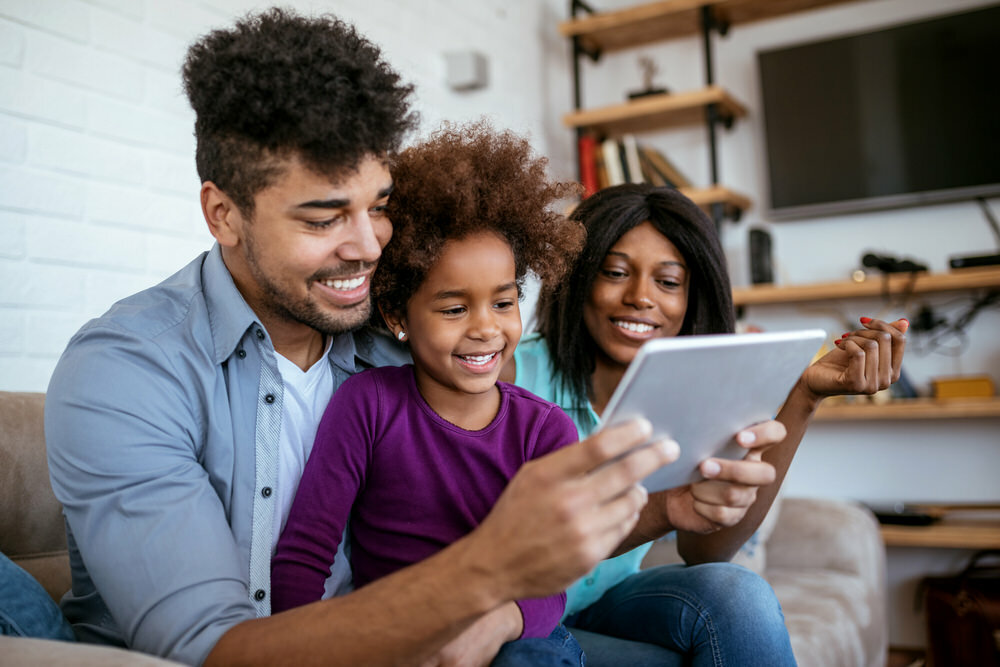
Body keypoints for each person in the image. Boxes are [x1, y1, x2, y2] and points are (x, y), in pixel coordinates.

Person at [42, 9, 718, 666]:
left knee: (722, 606)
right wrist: (484, 570)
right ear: (224, 214)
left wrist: (678, 493)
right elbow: (213, 650)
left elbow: (533, 521)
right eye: (324, 217)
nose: (368, 246)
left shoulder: (402, 347)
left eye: (380, 206)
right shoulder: (129, 371)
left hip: (427, 639)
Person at [496, 183, 909, 665]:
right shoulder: (509, 375)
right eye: (614, 272)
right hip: (516, 615)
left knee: (738, 596)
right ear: (578, 276)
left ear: (693, 296)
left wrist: (805, 394)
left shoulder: (695, 388)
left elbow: (706, 551)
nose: (640, 298)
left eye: (668, 282)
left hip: (604, 602)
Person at [271, 122, 589, 665]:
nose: (487, 328)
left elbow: (551, 584)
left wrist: (497, 624)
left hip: (513, 636)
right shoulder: (367, 405)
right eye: (454, 308)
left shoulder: (546, 430)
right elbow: (304, 556)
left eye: (505, 302)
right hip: (397, 636)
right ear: (397, 315)